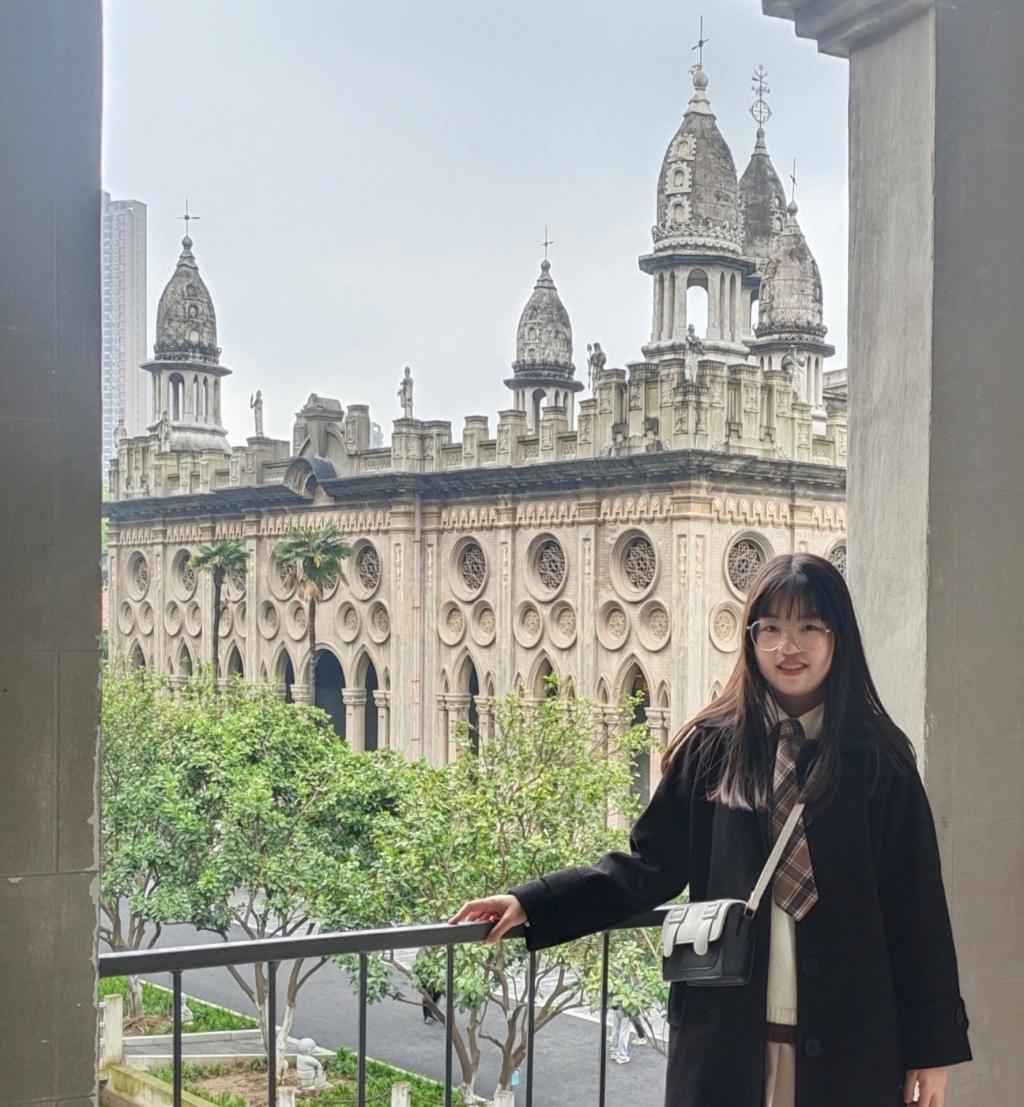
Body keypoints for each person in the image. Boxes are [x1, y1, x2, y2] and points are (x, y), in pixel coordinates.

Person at [449, 553, 972, 1107]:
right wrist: (535, 902)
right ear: (750, 638)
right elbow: (648, 866)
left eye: (808, 628)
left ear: (838, 637)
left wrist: (932, 1050)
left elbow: (917, 909)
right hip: (725, 1048)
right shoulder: (712, 747)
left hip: (852, 1053)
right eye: (770, 628)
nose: (788, 647)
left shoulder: (879, 760)